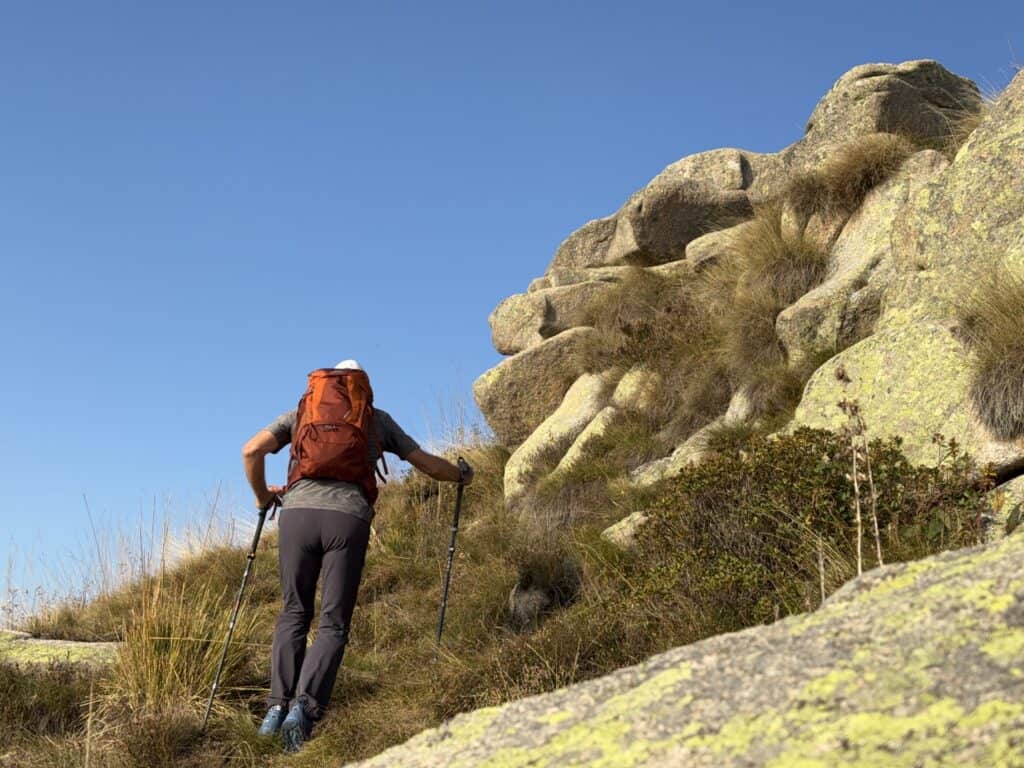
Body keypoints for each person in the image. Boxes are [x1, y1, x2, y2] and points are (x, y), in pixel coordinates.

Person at [241, 359, 473, 752]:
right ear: (362, 387)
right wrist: (461, 475)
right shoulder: (375, 420)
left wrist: (264, 497)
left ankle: (275, 710)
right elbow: (427, 465)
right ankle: (304, 711)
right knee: (333, 622)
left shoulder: (300, 413)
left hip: (296, 515)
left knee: (294, 612)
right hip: (348, 520)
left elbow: (251, 451)